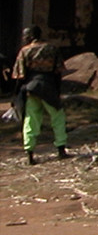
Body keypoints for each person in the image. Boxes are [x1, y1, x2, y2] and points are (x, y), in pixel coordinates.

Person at [13, 28, 67, 164]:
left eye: (25, 36)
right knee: (58, 117)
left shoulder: (25, 51)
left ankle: (29, 153)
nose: (23, 38)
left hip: (31, 88)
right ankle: (61, 149)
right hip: (49, 86)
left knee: (31, 119)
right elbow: (58, 72)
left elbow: (20, 76)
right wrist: (57, 91)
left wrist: (17, 95)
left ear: (31, 36)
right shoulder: (52, 48)